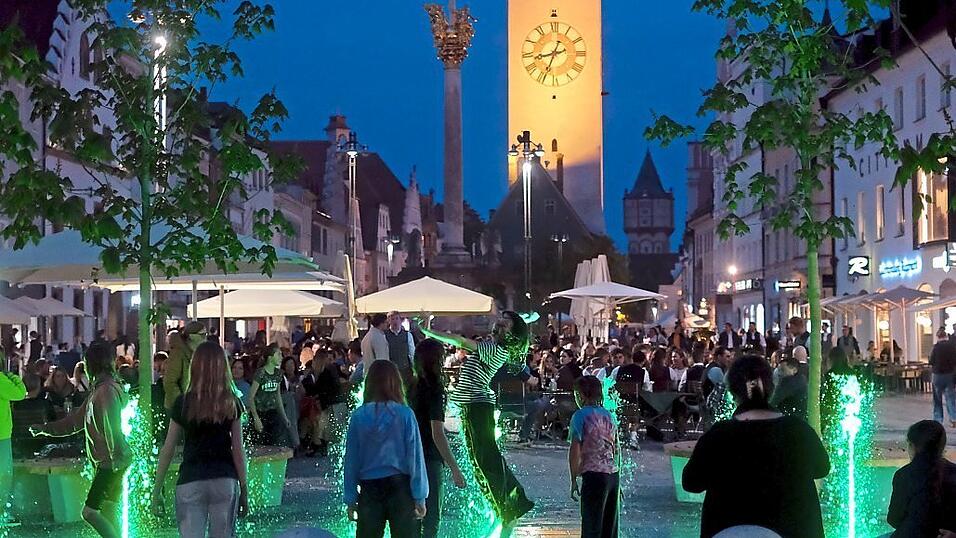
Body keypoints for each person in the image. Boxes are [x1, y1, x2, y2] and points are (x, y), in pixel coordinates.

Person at [682, 355, 830, 537]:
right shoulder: (798, 430)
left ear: (732, 391)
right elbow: (822, 468)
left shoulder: (719, 435)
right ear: (771, 387)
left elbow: (690, 483)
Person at [418, 312, 535, 528]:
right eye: (500, 320)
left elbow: (461, 341)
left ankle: (510, 510)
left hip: (478, 407)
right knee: (481, 462)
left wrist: (428, 332)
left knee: (486, 460)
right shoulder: (495, 346)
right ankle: (506, 509)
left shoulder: (495, 350)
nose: (499, 324)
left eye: (505, 323)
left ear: (511, 332)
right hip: (472, 408)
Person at [32, 341, 130, 538]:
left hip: (111, 462)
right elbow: (75, 422)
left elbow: (113, 427)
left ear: (90, 363)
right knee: (108, 513)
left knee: (90, 512)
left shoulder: (106, 391)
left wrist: (116, 458)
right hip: (111, 460)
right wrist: (45, 430)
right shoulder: (101, 390)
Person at [151, 340, 248, 537]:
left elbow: (168, 448)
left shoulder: (183, 403)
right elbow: (238, 450)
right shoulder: (232, 402)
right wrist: (244, 489)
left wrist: (157, 488)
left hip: (191, 480)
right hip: (224, 480)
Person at [343, 360, 427, 538]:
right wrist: (420, 496)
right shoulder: (405, 414)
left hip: (369, 489)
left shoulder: (358, 416)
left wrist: (350, 498)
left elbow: (351, 461)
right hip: (400, 488)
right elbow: (415, 458)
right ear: (396, 383)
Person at [408, 339, 466, 537]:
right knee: (431, 519)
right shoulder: (435, 390)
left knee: (414, 516)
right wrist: (455, 468)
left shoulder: (411, 386)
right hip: (430, 458)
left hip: (409, 456)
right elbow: (437, 433)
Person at [886, 420, 956, 537]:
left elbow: (894, 519)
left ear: (912, 446)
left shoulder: (904, 475)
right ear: (942, 446)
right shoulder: (953, 472)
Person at [568, 375, 619, 538]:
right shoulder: (609, 416)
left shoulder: (580, 416)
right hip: (612, 476)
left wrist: (573, 478)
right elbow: (616, 450)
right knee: (609, 529)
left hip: (594, 476)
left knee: (592, 527)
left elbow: (575, 449)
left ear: (581, 395)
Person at [248, 344, 293, 447]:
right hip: (260, 412)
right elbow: (251, 397)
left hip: (272, 412)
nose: (281, 357)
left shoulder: (278, 374)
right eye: (278, 354)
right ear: (270, 357)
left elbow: (278, 397)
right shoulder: (261, 373)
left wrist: (284, 417)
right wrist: (256, 418)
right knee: (259, 444)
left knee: (273, 443)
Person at [0, 353, 25, 526]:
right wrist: (14, 377)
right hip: (1, 435)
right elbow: (20, 394)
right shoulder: (1, 380)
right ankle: (2, 515)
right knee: (3, 476)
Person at [164, 321, 207, 410]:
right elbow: (169, 382)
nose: (205, 338)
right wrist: (182, 403)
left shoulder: (195, 352)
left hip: (194, 406)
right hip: (180, 408)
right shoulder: (178, 353)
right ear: (192, 336)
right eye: (203, 334)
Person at [11, 373, 55, 459]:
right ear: (39, 386)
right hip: (41, 442)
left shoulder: (15, 405)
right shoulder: (45, 404)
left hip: (20, 443)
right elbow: (53, 421)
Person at [929, 328, 956, 427]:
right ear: (946, 336)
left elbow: (931, 360)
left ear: (938, 337)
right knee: (951, 398)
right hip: (949, 375)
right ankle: (954, 419)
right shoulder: (952, 347)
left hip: (937, 376)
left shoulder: (936, 347)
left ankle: (938, 419)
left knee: (937, 399)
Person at [385, 311, 416, 385]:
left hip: (405, 370)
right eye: (392, 319)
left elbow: (412, 353)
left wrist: (414, 368)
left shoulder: (408, 335)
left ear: (400, 320)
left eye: (396, 319)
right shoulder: (384, 335)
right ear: (389, 321)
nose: (395, 321)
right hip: (390, 370)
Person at [280, 356, 302, 451]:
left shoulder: (300, 378)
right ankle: (294, 442)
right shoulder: (281, 379)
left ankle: (294, 442)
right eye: (287, 365)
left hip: (299, 405)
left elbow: (302, 395)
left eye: (292, 364)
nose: (290, 367)